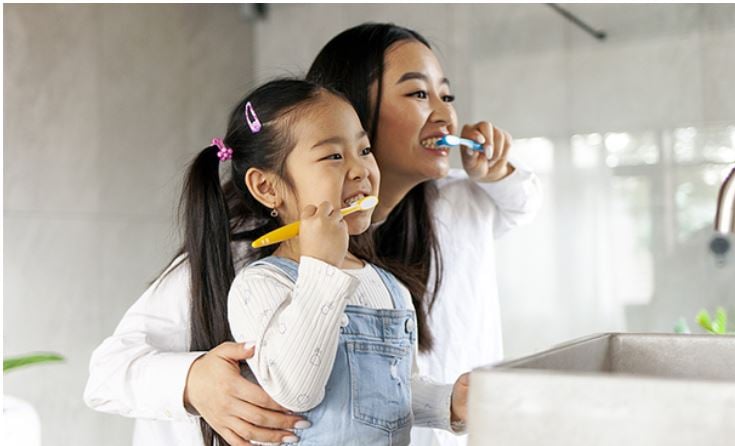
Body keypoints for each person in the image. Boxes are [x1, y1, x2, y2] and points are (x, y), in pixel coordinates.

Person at [85, 22, 540, 446]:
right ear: (346, 111)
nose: (445, 115)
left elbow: (392, 385)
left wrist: (446, 404)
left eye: (447, 95)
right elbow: (108, 373)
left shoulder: (447, 212)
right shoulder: (250, 256)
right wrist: (193, 380)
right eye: (419, 94)